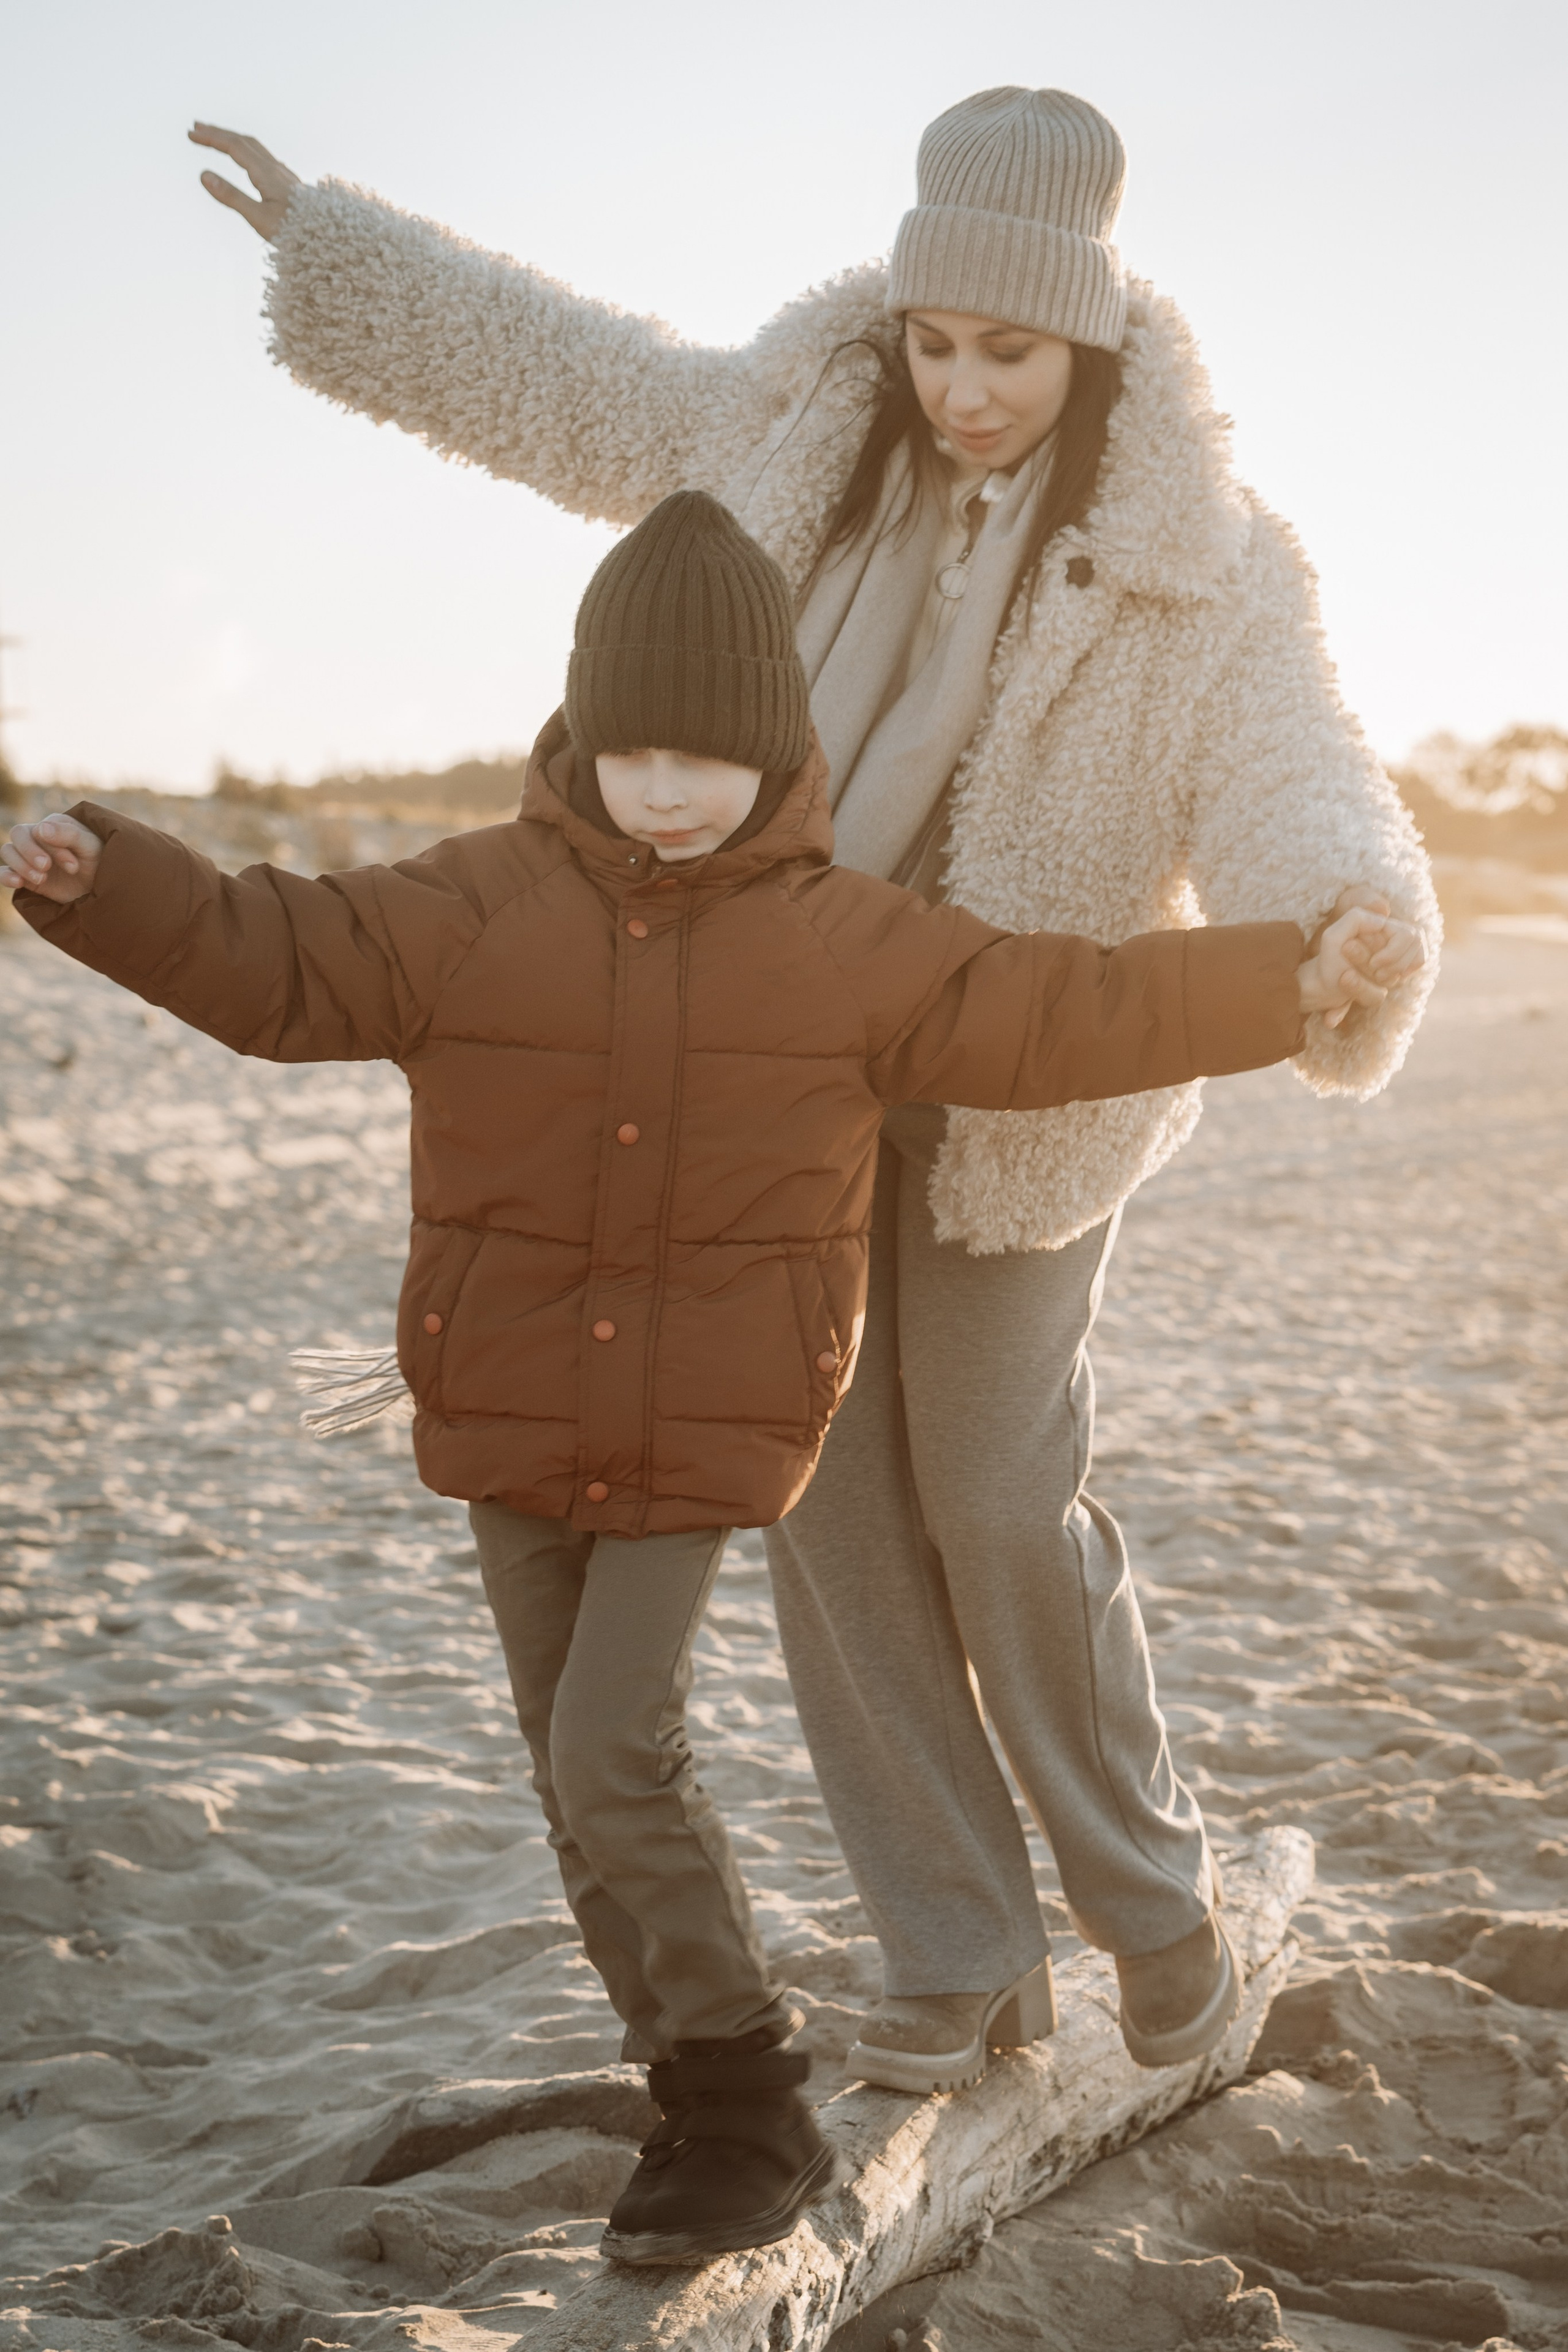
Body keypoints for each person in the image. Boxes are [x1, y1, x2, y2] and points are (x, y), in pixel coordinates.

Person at [187, 85, 1441, 2086]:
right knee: (833, 1520)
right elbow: (560, 382)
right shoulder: (795, 428)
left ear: (1093, 332)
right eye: (934, 340)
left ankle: (1152, 1905)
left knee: (1003, 1499)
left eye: (1008, 352)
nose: (962, 389)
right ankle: (960, 1953)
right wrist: (324, 250)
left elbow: (1295, 762)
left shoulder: (1206, 560)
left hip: (1030, 1074)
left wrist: (1346, 917)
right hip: (774, 1065)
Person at [5, 491, 1420, 2257]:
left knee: (615, 1748)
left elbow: (1062, 1011)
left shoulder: (839, 938)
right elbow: (276, 958)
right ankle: (697, 2093)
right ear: (582, 738)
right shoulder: (470, 902)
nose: (666, 792)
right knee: (573, 1780)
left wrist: (1293, 979)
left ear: (773, 753)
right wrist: (106, 883)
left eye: (706, 759)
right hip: (509, 1405)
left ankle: (749, 2104)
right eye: (632, 753)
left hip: (714, 1422)